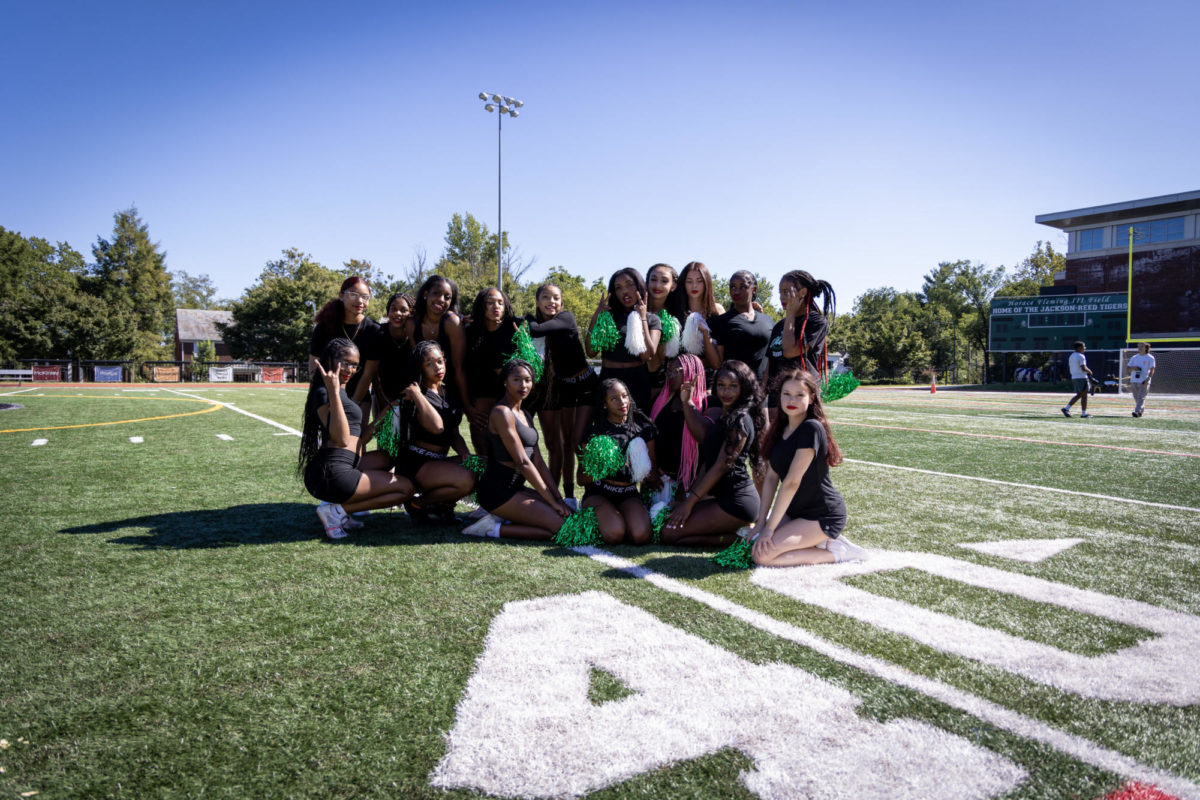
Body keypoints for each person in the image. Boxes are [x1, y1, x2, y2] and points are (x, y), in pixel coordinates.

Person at [299, 338, 415, 540]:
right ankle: (338, 511)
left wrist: (386, 413)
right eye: (344, 362)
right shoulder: (324, 392)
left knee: (387, 458)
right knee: (406, 489)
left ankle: (341, 509)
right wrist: (334, 391)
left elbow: (358, 439)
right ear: (329, 360)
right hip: (333, 474)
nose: (350, 369)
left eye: (354, 365)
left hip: (345, 464)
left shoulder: (341, 390)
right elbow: (342, 439)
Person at [750, 370, 867, 566]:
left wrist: (769, 528)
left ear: (812, 398)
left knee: (762, 556)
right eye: (786, 393)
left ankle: (840, 553)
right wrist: (761, 522)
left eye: (799, 395)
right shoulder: (781, 428)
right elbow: (771, 477)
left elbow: (792, 482)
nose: (791, 400)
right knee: (753, 543)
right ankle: (819, 542)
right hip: (796, 512)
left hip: (822, 515)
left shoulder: (811, 428)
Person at [464, 359, 572, 540]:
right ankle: (491, 529)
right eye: (517, 379)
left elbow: (538, 461)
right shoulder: (502, 412)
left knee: (568, 519)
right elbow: (523, 462)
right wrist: (552, 502)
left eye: (528, 380)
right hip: (497, 491)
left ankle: (507, 518)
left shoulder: (525, 414)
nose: (524, 385)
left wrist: (558, 499)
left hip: (516, 489)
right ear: (505, 382)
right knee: (563, 529)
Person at [661, 359, 764, 548]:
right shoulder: (725, 416)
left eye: (733, 386)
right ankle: (735, 533)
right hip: (719, 498)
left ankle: (741, 538)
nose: (726, 392)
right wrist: (686, 501)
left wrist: (690, 503)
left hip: (737, 503)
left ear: (744, 387)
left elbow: (720, 466)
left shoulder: (740, 419)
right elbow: (708, 462)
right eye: (721, 385)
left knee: (670, 534)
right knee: (667, 529)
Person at [524, 282, 598, 507]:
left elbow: (534, 328)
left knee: (578, 442)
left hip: (586, 385)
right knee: (566, 444)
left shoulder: (566, 318)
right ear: (538, 301)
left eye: (555, 298)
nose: (551, 302)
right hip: (564, 387)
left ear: (562, 302)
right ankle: (568, 496)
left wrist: (523, 318)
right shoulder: (542, 327)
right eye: (545, 297)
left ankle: (592, 490)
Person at [391, 340, 475, 522]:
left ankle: (442, 506)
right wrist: (417, 395)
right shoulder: (415, 394)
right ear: (420, 368)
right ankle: (417, 504)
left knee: (481, 466)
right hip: (417, 463)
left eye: (439, 361)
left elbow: (453, 433)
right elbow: (437, 427)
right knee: (466, 479)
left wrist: (465, 454)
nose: (437, 367)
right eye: (429, 364)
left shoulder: (448, 392)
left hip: (438, 462)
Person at [579, 378, 657, 545]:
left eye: (624, 396)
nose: (622, 402)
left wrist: (642, 469)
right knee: (615, 534)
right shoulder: (596, 432)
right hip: (600, 491)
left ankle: (621, 518)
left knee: (641, 536)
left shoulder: (643, 430)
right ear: (605, 404)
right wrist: (610, 465)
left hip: (628, 493)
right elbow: (581, 478)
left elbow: (652, 475)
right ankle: (596, 515)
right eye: (614, 399)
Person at [585, 268, 662, 413]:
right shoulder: (608, 317)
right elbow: (591, 352)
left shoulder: (652, 319)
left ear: (639, 286)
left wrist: (642, 317)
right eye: (618, 288)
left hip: (637, 381)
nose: (624, 291)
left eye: (629, 285)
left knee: (637, 430)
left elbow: (647, 355)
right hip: (609, 380)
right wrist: (596, 317)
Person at [310, 276, 382, 425]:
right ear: (341, 295)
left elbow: (368, 373)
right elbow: (314, 364)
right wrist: (324, 396)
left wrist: (352, 403)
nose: (360, 301)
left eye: (365, 297)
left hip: (359, 398)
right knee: (329, 442)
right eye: (354, 295)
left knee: (356, 445)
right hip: (327, 395)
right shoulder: (325, 327)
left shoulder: (374, 330)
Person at [464, 287, 521, 456]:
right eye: (490, 302)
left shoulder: (514, 328)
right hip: (480, 391)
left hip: (507, 392)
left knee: (507, 445)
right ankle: (483, 480)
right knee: (481, 442)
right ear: (481, 305)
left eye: (500, 303)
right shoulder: (470, 330)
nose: (496, 306)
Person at [406, 275, 470, 417]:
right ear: (425, 294)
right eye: (436, 293)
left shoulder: (452, 323)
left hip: (451, 387)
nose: (441, 300)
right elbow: (417, 365)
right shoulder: (412, 324)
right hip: (424, 388)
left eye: (447, 297)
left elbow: (459, 367)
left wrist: (467, 405)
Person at [648, 353, 707, 494]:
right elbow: (650, 438)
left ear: (692, 372)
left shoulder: (707, 404)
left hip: (691, 484)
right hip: (660, 480)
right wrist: (654, 470)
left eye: (676, 371)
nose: (670, 375)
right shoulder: (659, 402)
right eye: (669, 371)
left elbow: (703, 437)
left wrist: (687, 402)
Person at [709, 270, 774, 383]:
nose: (736, 291)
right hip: (732, 391)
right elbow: (717, 363)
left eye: (742, 287)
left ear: (754, 289)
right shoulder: (721, 321)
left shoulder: (767, 320)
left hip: (763, 390)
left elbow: (771, 357)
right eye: (732, 287)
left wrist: (765, 386)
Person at [670, 261, 722, 369]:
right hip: (678, 378)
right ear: (683, 283)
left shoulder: (717, 310)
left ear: (706, 283)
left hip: (708, 379)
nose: (694, 286)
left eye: (699, 281)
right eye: (689, 281)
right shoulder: (674, 311)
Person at [644, 263, 681, 395]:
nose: (658, 285)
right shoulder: (634, 311)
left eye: (664, 281)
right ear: (646, 282)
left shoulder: (677, 316)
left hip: (664, 388)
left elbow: (656, 363)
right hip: (630, 381)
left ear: (673, 286)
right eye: (653, 279)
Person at [374, 292, 415, 408]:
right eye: (393, 309)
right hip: (382, 395)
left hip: (411, 395)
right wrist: (382, 399)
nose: (397, 313)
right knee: (384, 426)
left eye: (403, 310)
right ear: (388, 311)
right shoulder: (379, 333)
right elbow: (374, 373)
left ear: (411, 312)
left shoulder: (415, 334)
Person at [1062, 341, 1094, 418]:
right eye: (1084, 346)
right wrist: (1090, 371)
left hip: (1074, 377)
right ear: (1079, 348)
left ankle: (1066, 408)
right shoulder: (1081, 356)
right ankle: (1083, 413)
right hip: (1081, 377)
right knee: (1084, 396)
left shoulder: (1072, 355)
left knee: (1079, 395)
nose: (1085, 348)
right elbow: (1083, 367)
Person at [1127, 342, 1157, 418]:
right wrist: (1134, 368)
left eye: (1142, 346)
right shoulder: (1134, 357)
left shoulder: (1150, 357)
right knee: (1136, 397)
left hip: (1144, 381)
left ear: (1146, 348)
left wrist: (1148, 379)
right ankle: (1140, 410)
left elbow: (1152, 369)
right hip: (1134, 380)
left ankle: (1137, 412)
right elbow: (1128, 368)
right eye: (1139, 346)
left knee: (1141, 397)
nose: (1140, 348)